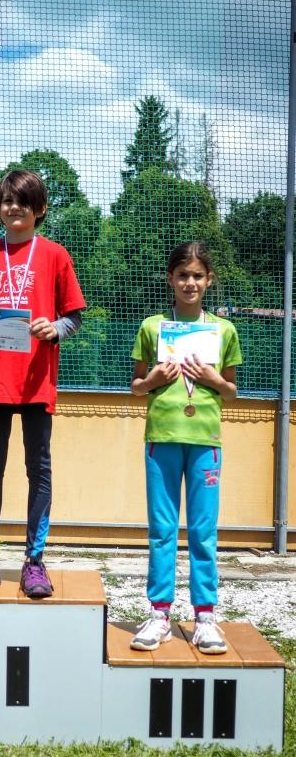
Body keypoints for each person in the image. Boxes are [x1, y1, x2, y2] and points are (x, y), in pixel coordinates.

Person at [0, 169, 85, 598]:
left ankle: (34, 562)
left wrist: (55, 329)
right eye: (7, 201)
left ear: (39, 209)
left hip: (34, 380)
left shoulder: (55, 255)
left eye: (23, 202)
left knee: (37, 468)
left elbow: (74, 317)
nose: (14, 208)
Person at [129, 241, 242, 654]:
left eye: (197, 275)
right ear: (170, 279)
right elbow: (136, 386)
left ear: (209, 280)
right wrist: (154, 380)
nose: (189, 282)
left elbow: (231, 392)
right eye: (182, 275)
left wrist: (213, 380)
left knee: (202, 531)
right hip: (161, 439)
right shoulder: (153, 327)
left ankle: (205, 618)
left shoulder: (224, 330)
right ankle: (159, 614)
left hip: (205, 443)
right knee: (162, 530)